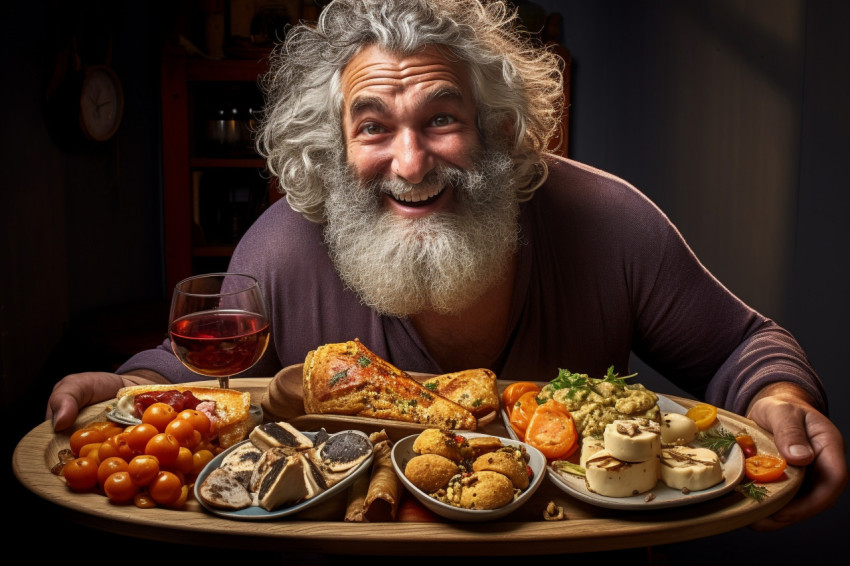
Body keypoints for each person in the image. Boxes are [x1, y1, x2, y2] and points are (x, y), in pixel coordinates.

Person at [46, 0, 845, 532]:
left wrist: (780, 394)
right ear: (334, 145)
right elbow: (201, 383)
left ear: (497, 125)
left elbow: (740, 348)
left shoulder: (608, 221)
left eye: (442, 118)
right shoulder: (283, 244)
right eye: (373, 127)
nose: (411, 161)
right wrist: (129, 391)